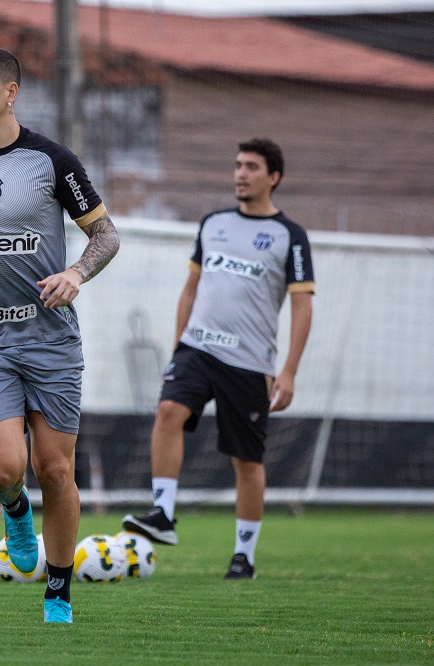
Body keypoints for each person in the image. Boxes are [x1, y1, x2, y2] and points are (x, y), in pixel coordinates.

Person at [0, 47, 119, 623]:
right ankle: (13, 510)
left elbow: (106, 236)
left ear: (11, 92)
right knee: (1, 469)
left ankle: (57, 591)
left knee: (56, 470)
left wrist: (75, 273)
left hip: (49, 337)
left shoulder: (53, 161)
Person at [122, 138, 314, 580]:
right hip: (197, 349)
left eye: (251, 166)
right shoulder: (213, 224)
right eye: (237, 165)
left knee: (246, 461)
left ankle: (243, 554)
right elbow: (190, 290)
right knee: (168, 410)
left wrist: (288, 370)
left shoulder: (290, 237)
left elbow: (303, 306)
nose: (240, 173)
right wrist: (178, 347)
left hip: (250, 364)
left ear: (273, 177)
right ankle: (163, 513)